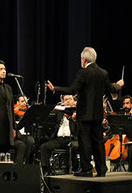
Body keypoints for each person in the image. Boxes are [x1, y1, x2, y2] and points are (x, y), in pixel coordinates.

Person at [46, 47, 124, 177]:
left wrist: (55, 88)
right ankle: (101, 170)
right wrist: (119, 85)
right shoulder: (103, 73)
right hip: (97, 114)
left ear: (84, 59)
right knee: (98, 142)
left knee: (85, 143)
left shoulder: (83, 73)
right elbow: (111, 89)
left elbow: (72, 90)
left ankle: (87, 169)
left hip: (84, 115)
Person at [40, 95, 78, 174]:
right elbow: (49, 116)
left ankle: (73, 168)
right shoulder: (59, 112)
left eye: (70, 99)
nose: (67, 101)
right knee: (44, 147)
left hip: (72, 138)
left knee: (73, 146)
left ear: (74, 101)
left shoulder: (78, 112)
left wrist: (74, 118)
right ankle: (46, 170)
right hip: (59, 139)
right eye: (65, 100)